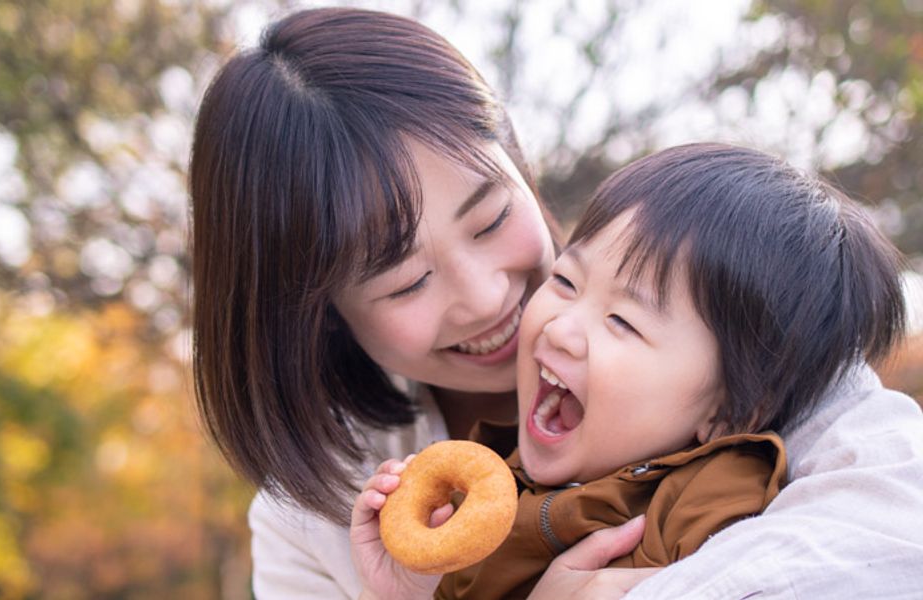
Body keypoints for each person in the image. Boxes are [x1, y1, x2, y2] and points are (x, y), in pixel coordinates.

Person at [187, 7, 923, 599]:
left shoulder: (738, 320)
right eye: (406, 282)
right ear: (316, 314)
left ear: (513, 156)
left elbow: (893, 525)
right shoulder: (315, 524)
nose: (487, 297)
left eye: (490, 219)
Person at [349, 142, 907, 599]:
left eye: (623, 322)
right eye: (566, 282)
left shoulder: (703, 515)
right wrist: (412, 591)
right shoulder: (498, 482)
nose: (559, 326)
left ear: (730, 410)